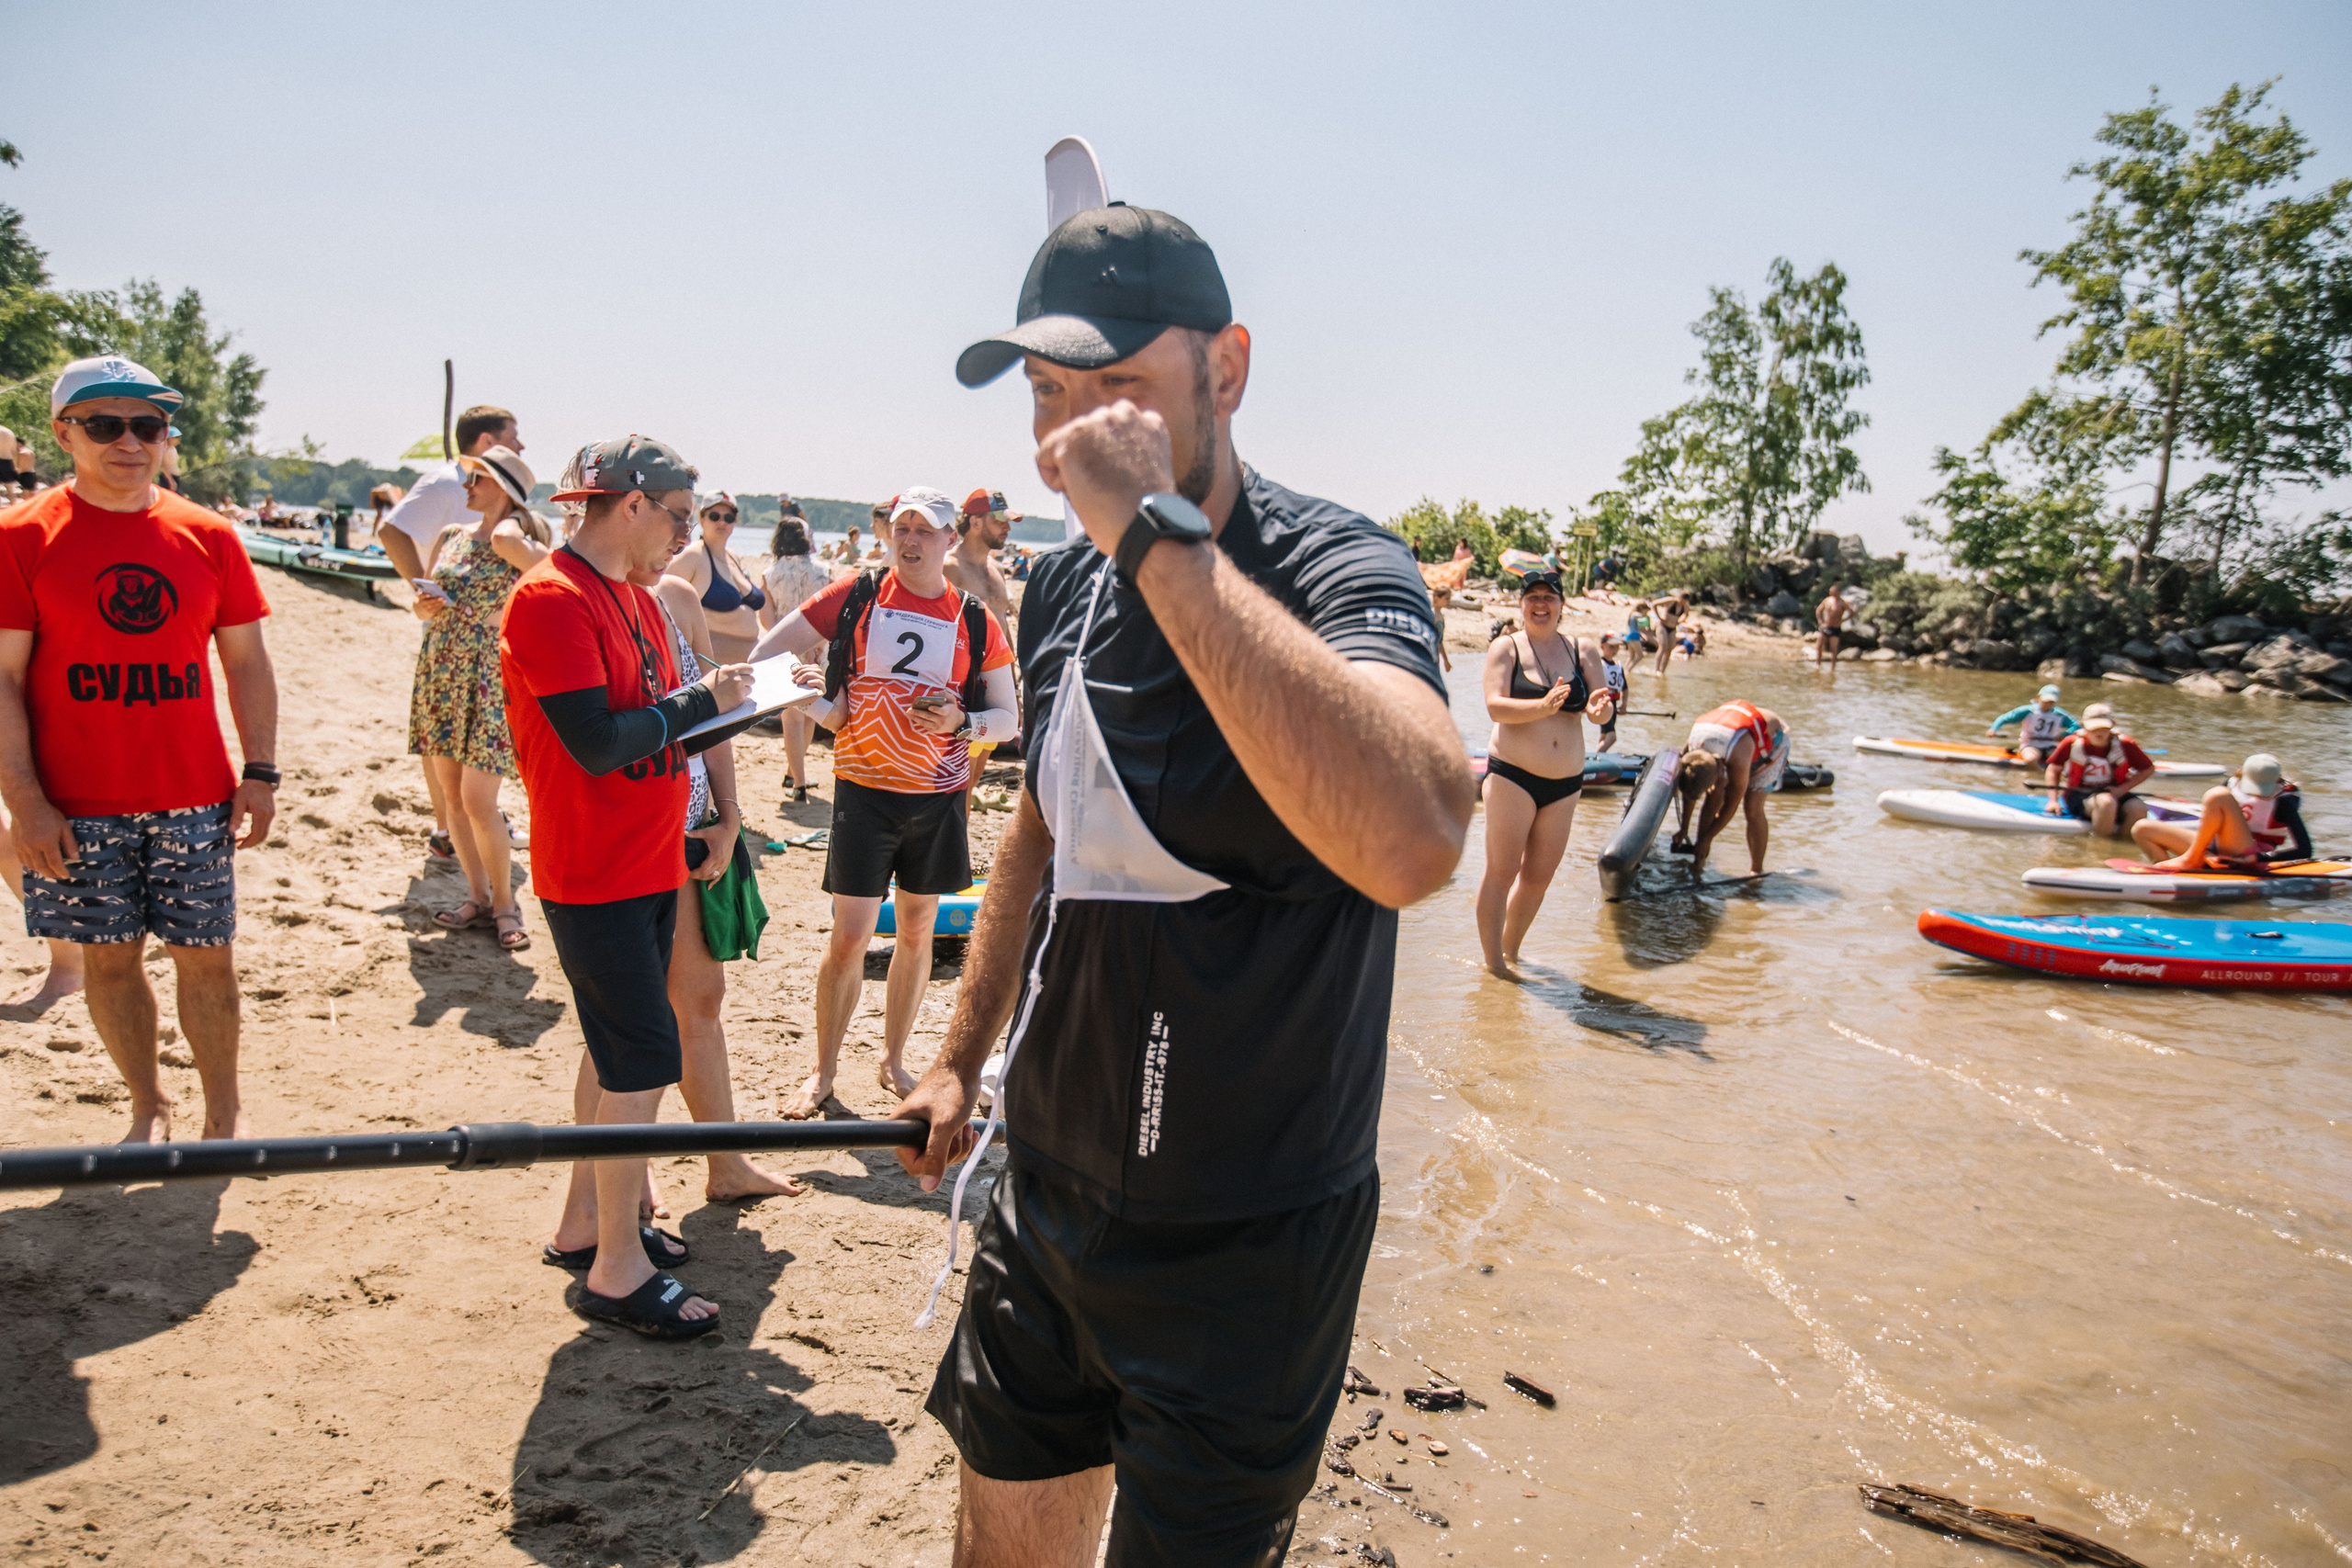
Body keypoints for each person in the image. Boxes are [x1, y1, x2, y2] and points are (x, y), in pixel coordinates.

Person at [897, 202, 1471, 1566]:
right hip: (1044, 1186)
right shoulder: (1057, 595)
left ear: (1230, 370)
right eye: (1050, 397)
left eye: (1121, 393)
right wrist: (960, 1057)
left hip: (1250, 1235)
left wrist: (1158, 540)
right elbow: (1042, 825)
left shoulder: (1339, 568)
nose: (1075, 439)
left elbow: (1419, 839)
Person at [503, 434, 752, 1339]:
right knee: (642, 1060)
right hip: (591, 871)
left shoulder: (642, 603)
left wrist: (731, 744)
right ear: (633, 504)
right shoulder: (548, 599)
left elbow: (671, 728)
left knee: (612, 1056)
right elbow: (601, 742)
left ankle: (588, 1224)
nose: (687, 537)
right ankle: (614, 1268)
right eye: (682, 517)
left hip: (650, 860)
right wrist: (709, 696)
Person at [0, 355, 279, 1141]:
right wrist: (25, 801)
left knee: (208, 959)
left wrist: (258, 771)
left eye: (147, 425)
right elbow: (4, 681)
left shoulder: (209, 535)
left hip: (195, 795)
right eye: (105, 424)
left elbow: (248, 661)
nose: (130, 440)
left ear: (165, 436)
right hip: (72, 806)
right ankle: (148, 1104)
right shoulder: (21, 537)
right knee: (111, 962)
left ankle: (222, 1117)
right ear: (64, 433)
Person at [746, 487, 1017, 1115]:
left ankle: (894, 1060)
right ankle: (822, 1071)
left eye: (926, 530)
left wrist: (959, 722)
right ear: (890, 534)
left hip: (938, 796)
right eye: (903, 528)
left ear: (951, 540)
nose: (911, 540)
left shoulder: (975, 619)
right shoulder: (858, 594)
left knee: (917, 932)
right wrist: (818, 707)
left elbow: (1007, 718)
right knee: (850, 936)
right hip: (864, 791)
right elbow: (764, 657)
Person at [636, 543, 802, 1204]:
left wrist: (729, 815)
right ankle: (627, 1168)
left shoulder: (677, 598)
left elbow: (718, 710)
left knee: (701, 998)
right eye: (676, 516)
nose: (685, 534)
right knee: (631, 1012)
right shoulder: (585, 602)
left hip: (694, 816)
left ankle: (725, 1161)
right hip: (633, 827)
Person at [409, 446, 548, 949]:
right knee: (451, 797)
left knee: (478, 799)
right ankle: (479, 898)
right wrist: (424, 606)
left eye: (478, 479)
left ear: (505, 491)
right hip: (442, 668)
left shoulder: (517, 542)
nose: (467, 487)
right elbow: (422, 609)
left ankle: (508, 907)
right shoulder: (450, 536)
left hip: (490, 675)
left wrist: (511, 534)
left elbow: (558, 576)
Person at [382, 405, 526, 861]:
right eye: (513, 437)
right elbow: (391, 531)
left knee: (465, 761)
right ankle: (448, 828)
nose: (521, 446)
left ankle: (454, 827)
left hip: (470, 644)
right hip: (447, 640)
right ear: (487, 442)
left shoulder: (507, 523)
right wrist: (423, 593)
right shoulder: (447, 481)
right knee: (447, 751)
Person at [1476, 570, 1614, 978]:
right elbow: (1495, 707)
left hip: (1566, 783)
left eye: (1549, 598)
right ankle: (1494, 967)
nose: (1541, 604)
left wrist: (1598, 710)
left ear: (1561, 606)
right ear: (1521, 604)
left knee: (1538, 878)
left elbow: (1602, 710)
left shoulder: (1582, 649)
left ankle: (1512, 952)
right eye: (1532, 597)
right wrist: (1543, 707)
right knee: (1502, 872)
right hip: (1512, 776)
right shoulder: (1506, 648)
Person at [1669, 698, 1789, 877]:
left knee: (1752, 807)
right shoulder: (1691, 748)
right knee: (1714, 795)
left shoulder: (1737, 757)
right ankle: (1698, 862)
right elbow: (1690, 792)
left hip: (1773, 741)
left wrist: (1708, 838)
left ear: (1720, 769)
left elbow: (1731, 804)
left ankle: (1756, 871)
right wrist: (1684, 828)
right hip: (1730, 732)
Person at [760, 513, 832, 804]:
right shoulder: (824, 571)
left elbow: (767, 621)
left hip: (785, 651)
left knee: (790, 718)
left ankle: (798, 780)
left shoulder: (770, 574)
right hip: (817, 647)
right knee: (810, 710)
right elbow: (833, 613)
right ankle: (796, 772)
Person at [2132, 752, 2312, 870]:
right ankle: (2165, 873)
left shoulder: (2284, 801)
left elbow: (2305, 850)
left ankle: (2191, 860)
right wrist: (2208, 852)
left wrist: (2258, 858)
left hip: (2248, 855)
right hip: (2216, 849)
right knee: (2142, 829)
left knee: (2217, 795)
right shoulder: (2232, 783)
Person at [669, 492, 767, 664]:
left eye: (729, 518)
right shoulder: (693, 556)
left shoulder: (733, 557)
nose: (722, 522)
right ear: (702, 518)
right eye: (715, 516)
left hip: (746, 669)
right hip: (712, 671)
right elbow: (660, 603)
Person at [2041, 703, 2154, 839]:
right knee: (2106, 802)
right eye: (2094, 728)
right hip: (2079, 795)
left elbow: (2148, 769)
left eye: (2104, 728)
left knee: (2138, 808)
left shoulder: (2126, 744)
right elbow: (2053, 769)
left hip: (2116, 793)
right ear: (2084, 726)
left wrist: (2122, 790)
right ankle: (2099, 849)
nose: (2099, 732)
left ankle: (2123, 847)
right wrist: (2053, 800)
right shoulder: (2071, 743)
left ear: (2112, 726)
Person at [1985, 684, 2079, 765]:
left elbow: (2076, 725)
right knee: (2031, 759)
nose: (2047, 704)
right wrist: (1993, 729)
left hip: (2050, 745)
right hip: (2030, 744)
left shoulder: (2060, 715)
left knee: (2063, 760)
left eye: (2051, 702)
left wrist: (2064, 735)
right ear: (2039, 697)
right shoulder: (2027, 711)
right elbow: (2004, 718)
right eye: (2045, 701)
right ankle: (2038, 774)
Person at [1594, 632, 1628, 752]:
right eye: (1611, 647)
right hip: (1605, 704)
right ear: (1602, 646)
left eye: (1617, 647)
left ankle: (1599, 757)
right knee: (1612, 737)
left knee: (1604, 735)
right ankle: (1595, 757)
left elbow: (1624, 687)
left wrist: (1624, 704)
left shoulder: (1618, 666)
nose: (1615, 650)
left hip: (1614, 703)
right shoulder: (1599, 664)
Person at [1815, 582, 1850, 668]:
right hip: (1825, 626)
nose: (1831, 593)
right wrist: (1820, 622)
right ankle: (1818, 664)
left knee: (1833, 649)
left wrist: (1842, 620)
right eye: (1830, 591)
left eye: (1833, 591)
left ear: (1838, 592)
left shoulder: (1842, 603)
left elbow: (1851, 612)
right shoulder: (1827, 600)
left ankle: (1832, 668)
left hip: (1835, 628)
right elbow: (1818, 610)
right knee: (1819, 646)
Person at [1652, 591, 1687, 674]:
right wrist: (1659, 617)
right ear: (1679, 597)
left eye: (1685, 601)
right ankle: (1656, 670)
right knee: (1663, 646)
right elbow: (1654, 604)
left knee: (1670, 649)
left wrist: (1680, 621)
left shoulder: (1685, 606)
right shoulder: (1670, 601)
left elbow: (1686, 614)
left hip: (1672, 628)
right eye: (1682, 600)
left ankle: (1662, 671)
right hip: (1662, 625)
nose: (1683, 602)